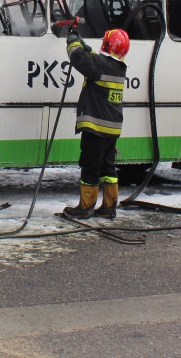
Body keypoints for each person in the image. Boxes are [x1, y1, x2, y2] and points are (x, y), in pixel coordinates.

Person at [62, 26, 130, 219]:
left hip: (96, 129)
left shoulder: (100, 65)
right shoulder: (118, 67)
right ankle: (109, 207)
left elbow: (79, 58)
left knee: (90, 167)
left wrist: (73, 40)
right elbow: (93, 57)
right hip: (112, 130)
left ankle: (86, 207)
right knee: (108, 168)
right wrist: (83, 42)